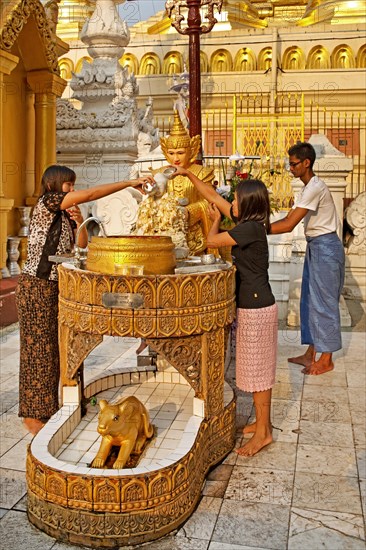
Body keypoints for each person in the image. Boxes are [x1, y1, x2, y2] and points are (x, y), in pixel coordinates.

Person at [16, 165, 154, 435]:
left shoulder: (63, 213)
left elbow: (80, 244)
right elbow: (92, 193)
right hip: (36, 285)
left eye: (72, 184)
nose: (72, 189)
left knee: (55, 348)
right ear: (54, 185)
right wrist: (128, 183)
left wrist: (77, 219)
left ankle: (52, 405)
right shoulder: (47, 202)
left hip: (56, 285)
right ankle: (33, 415)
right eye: (68, 185)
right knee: (37, 351)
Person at [171, 166, 278, 457]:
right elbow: (210, 195)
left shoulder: (248, 229)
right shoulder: (250, 223)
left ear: (249, 203)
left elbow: (211, 241)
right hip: (254, 305)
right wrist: (188, 175)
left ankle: (264, 433)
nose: (233, 202)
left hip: (257, 308)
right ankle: (261, 423)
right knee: (256, 371)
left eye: (238, 198)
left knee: (259, 374)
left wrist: (215, 221)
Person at [270, 142, 345, 375]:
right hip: (317, 247)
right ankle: (311, 352)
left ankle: (327, 358)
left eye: (293, 164)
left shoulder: (315, 187)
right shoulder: (307, 187)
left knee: (325, 303)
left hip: (326, 248)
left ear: (306, 163)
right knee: (310, 301)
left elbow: (289, 223)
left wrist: (256, 229)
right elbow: (291, 216)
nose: (289, 168)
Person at [154, 111, 215, 255]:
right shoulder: (159, 173)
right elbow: (152, 202)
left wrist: (188, 212)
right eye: (171, 153)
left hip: (195, 237)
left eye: (180, 153)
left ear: (192, 151)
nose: (175, 158)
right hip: (165, 236)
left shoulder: (202, 173)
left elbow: (210, 203)